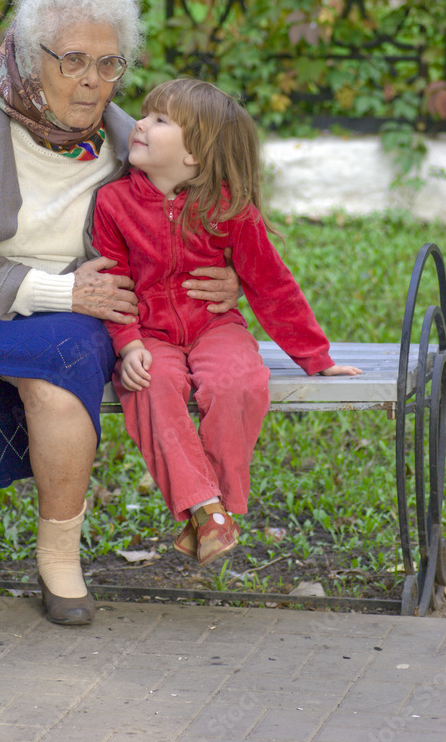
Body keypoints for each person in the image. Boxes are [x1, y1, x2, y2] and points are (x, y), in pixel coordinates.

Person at [0, 0, 239, 627]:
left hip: (74, 309)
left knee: (58, 393)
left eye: (109, 64)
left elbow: (207, 227)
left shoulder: (132, 141)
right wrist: (56, 292)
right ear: (27, 53)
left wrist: (225, 275)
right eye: (73, 59)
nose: (92, 81)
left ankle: (59, 561)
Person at [92, 79, 362, 567]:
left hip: (216, 327)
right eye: (146, 114)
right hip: (151, 334)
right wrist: (129, 346)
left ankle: (213, 510)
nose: (141, 124)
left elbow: (271, 284)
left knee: (238, 382)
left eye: (159, 120)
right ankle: (208, 510)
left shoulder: (228, 208)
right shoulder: (114, 204)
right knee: (151, 384)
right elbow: (114, 284)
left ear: (194, 154)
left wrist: (316, 358)